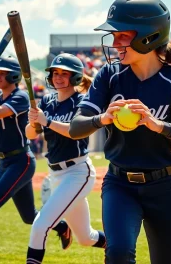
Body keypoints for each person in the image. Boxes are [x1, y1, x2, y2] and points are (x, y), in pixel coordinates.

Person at [69, 0, 171, 264]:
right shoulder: (109, 76)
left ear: (148, 36)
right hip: (119, 185)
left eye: (122, 36)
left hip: (167, 188)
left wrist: (160, 125)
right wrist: (102, 118)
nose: (114, 44)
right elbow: (76, 128)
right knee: (119, 253)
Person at [0, 57, 71, 264]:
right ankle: (61, 226)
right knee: (29, 216)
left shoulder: (20, 97)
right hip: (4, 163)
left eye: (2, 73)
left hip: (21, 161)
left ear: (13, 75)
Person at [25, 53, 106, 263]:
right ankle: (118, 246)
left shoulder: (82, 101)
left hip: (78, 173)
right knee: (86, 238)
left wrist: (47, 121)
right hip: (56, 174)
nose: (58, 77)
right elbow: (31, 134)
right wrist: (33, 121)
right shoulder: (48, 101)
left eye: (64, 73)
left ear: (76, 77)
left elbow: (75, 131)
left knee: (40, 226)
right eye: (55, 73)